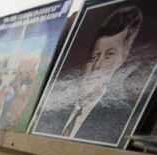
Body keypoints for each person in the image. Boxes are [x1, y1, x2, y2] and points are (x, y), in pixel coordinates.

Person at [33, 5, 144, 144]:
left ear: (124, 56)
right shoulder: (57, 104)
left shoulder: (123, 116)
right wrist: (81, 102)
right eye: (95, 56)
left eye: (109, 55)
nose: (97, 65)